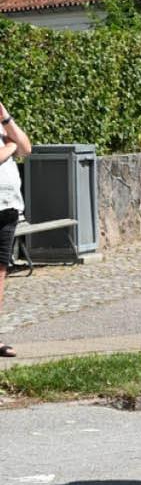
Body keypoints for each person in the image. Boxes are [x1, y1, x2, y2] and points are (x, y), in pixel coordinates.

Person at [0, 101, 33, 357]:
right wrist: (9, 148)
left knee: (0, 275)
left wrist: (6, 118)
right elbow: (14, 149)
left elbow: (26, 147)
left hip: (8, 208)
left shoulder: (4, 127)